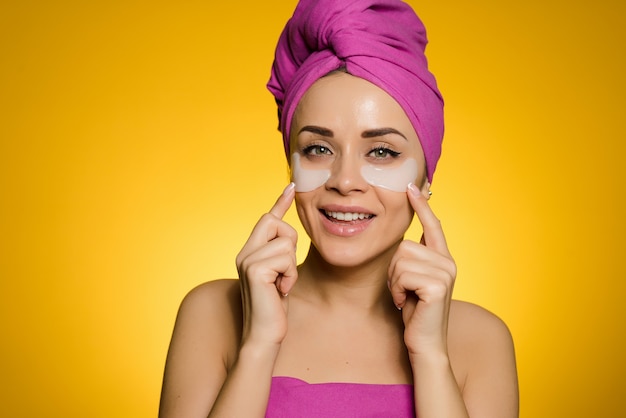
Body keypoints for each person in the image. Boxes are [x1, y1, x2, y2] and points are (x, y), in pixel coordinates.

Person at [159, 0, 519, 417]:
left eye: (381, 151)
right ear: (291, 164)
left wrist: (431, 356)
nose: (345, 181)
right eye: (317, 149)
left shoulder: (480, 341)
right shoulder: (212, 313)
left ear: (424, 179)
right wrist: (258, 346)